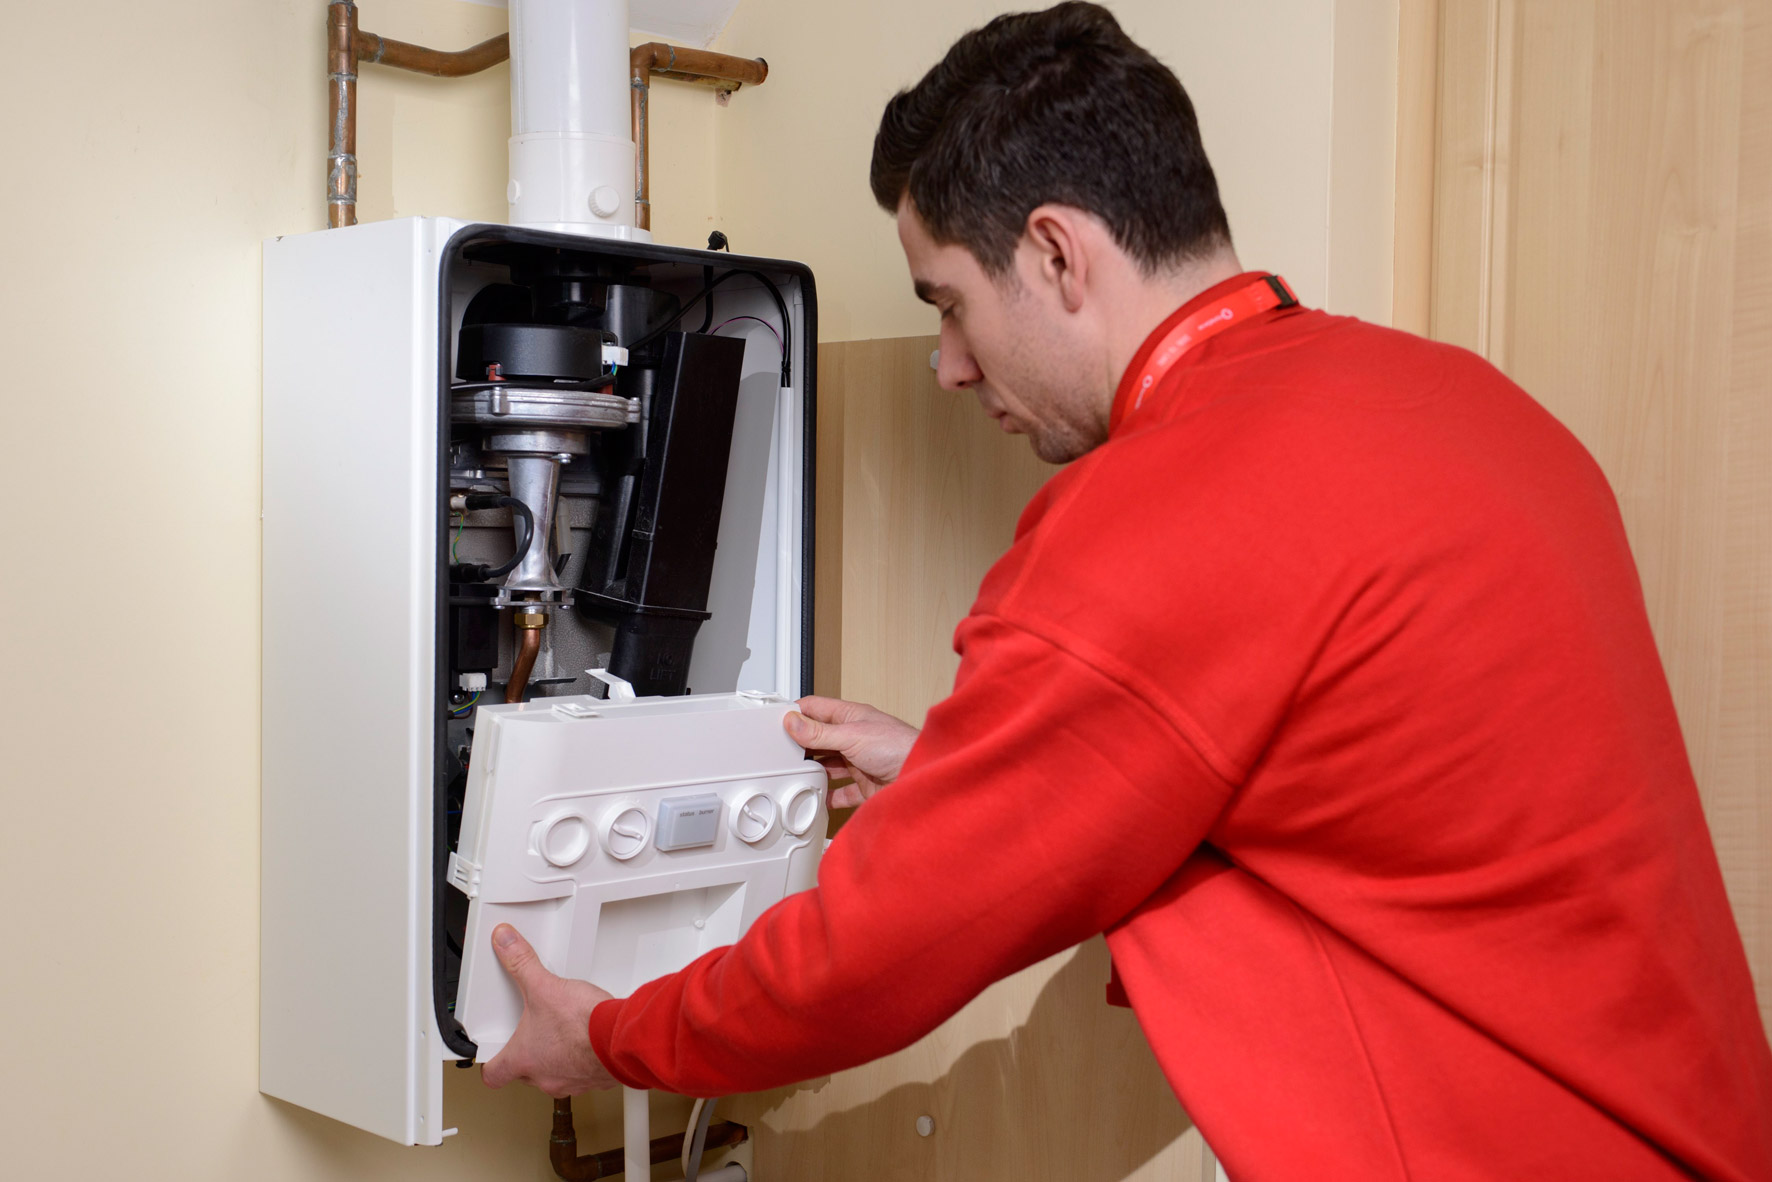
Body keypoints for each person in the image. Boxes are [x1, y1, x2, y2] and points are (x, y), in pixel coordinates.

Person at [480, 4, 1772, 1177]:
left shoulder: (1164, 506)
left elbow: (877, 954)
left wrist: (611, 1036)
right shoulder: (1458, 405)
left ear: (1056, 252)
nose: (948, 365)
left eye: (949, 304)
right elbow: (1351, 809)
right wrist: (952, 770)